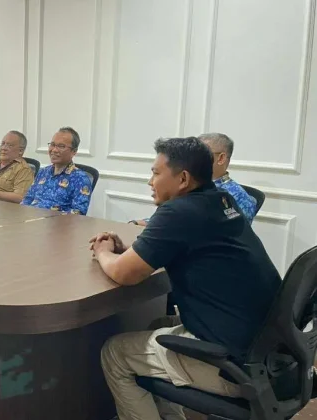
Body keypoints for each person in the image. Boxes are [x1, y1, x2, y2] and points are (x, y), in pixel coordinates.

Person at [89, 137, 281, 420]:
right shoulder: (221, 200)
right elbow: (186, 248)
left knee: (115, 353)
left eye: (156, 173)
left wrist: (103, 252)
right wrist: (128, 250)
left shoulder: (178, 211)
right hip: (269, 351)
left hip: (234, 365)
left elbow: (123, 274)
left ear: (183, 179)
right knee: (157, 326)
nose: (150, 182)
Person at [130, 132, 256, 226]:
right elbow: (168, 220)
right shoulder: (189, 188)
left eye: (204, 153)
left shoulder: (236, 197)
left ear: (221, 158)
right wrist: (139, 224)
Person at [21, 127, 93, 214]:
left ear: (74, 151)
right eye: (52, 145)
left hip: (57, 221)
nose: (54, 150)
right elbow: (28, 199)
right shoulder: (43, 172)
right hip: (31, 218)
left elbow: (78, 213)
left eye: (61, 146)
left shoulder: (81, 179)